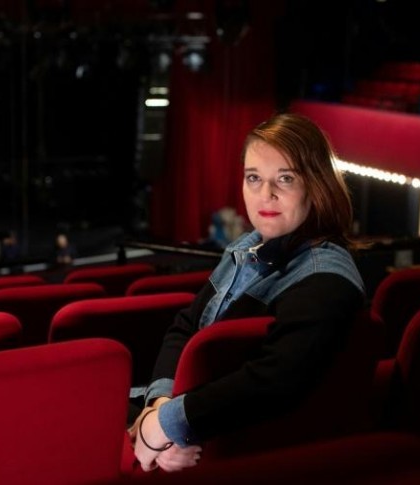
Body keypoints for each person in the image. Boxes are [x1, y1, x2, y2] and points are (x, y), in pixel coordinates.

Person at [128, 113, 366, 473]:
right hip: (189, 417)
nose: (265, 194)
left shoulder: (324, 278)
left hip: (238, 449)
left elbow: (274, 384)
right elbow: (185, 325)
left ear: (316, 185)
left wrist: (167, 426)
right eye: (254, 178)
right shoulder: (248, 245)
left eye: (285, 179)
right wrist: (158, 406)